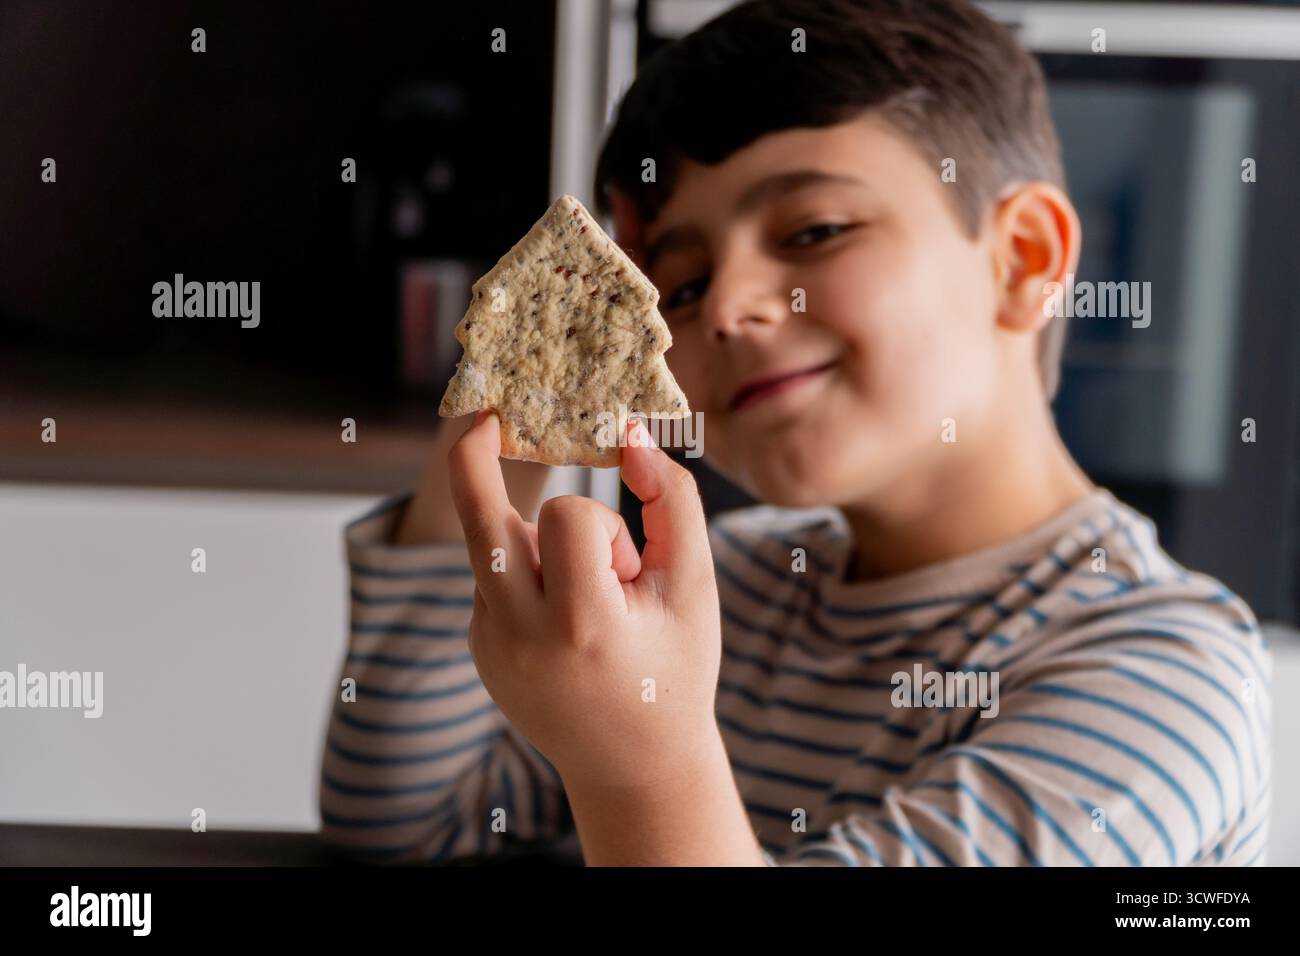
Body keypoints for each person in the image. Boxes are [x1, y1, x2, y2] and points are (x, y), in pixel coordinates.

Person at [319, 0, 1271, 866]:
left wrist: (641, 764)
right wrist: (512, 427)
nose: (725, 309)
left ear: (1022, 260)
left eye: (814, 232)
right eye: (679, 288)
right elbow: (410, 832)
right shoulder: (737, 583)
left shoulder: (1160, 685)